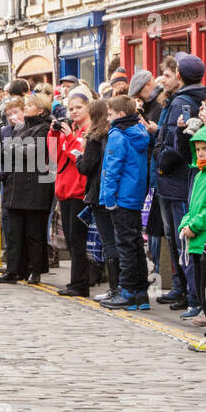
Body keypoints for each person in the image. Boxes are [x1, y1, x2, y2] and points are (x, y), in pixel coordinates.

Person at [154, 55, 206, 316]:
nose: (163, 78)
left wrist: (161, 164)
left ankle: (191, 296)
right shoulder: (193, 98)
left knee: (181, 239)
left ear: (180, 76)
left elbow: (175, 146)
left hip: (175, 182)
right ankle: (186, 292)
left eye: (167, 73)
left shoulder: (181, 102)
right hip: (186, 181)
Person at [99, 94, 152, 310]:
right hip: (134, 196)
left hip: (121, 197)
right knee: (135, 244)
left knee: (125, 246)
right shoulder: (139, 133)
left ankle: (128, 291)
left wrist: (109, 199)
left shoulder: (118, 135)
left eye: (110, 114)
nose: (108, 118)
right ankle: (140, 293)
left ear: (120, 114)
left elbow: (112, 170)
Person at [0, 92, 54, 284]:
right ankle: (13, 270)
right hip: (15, 186)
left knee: (34, 234)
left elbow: (31, 153)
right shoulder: (21, 128)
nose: (26, 108)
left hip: (34, 188)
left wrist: (11, 147)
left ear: (41, 109)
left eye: (30, 106)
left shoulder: (44, 129)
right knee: (14, 233)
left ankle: (34, 270)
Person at [54, 92, 93, 296]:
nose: (74, 112)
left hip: (79, 192)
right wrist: (55, 134)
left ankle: (80, 284)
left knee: (77, 240)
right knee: (70, 240)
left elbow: (79, 157)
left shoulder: (87, 131)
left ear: (88, 107)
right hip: (65, 191)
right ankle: (76, 281)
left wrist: (69, 137)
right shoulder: (74, 131)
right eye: (71, 108)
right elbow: (54, 157)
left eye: (78, 107)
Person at [79, 99, 118, 299]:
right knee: (116, 240)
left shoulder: (94, 137)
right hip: (114, 193)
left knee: (108, 241)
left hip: (98, 193)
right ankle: (121, 288)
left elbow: (86, 167)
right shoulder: (112, 134)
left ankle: (115, 289)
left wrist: (79, 156)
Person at [179, 123, 206, 348]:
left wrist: (195, 225)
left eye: (205, 149)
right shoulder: (198, 175)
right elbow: (192, 206)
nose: (201, 153)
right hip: (195, 242)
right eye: (198, 149)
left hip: (202, 238)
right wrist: (185, 224)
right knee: (200, 287)